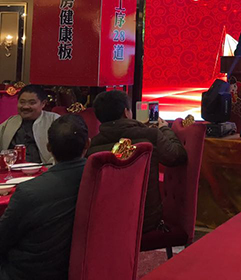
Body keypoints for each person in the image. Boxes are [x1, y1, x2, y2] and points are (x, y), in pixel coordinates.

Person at [0, 114, 89, 280]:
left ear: (48, 147)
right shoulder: (103, 178)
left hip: (28, 273)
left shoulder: (29, 192)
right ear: (87, 144)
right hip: (82, 266)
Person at [87, 90, 187, 233]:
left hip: (106, 222)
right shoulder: (151, 135)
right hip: (146, 222)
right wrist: (164, 129)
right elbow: (177, 156)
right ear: (126, 112)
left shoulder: (92, 146)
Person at [0, 85, 59, 164]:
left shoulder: (54, 121)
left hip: (45, 169)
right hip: (12, 168)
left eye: (32, 103)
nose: (25, 107)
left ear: (43, 103)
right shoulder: (10, 122)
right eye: (22, 102)